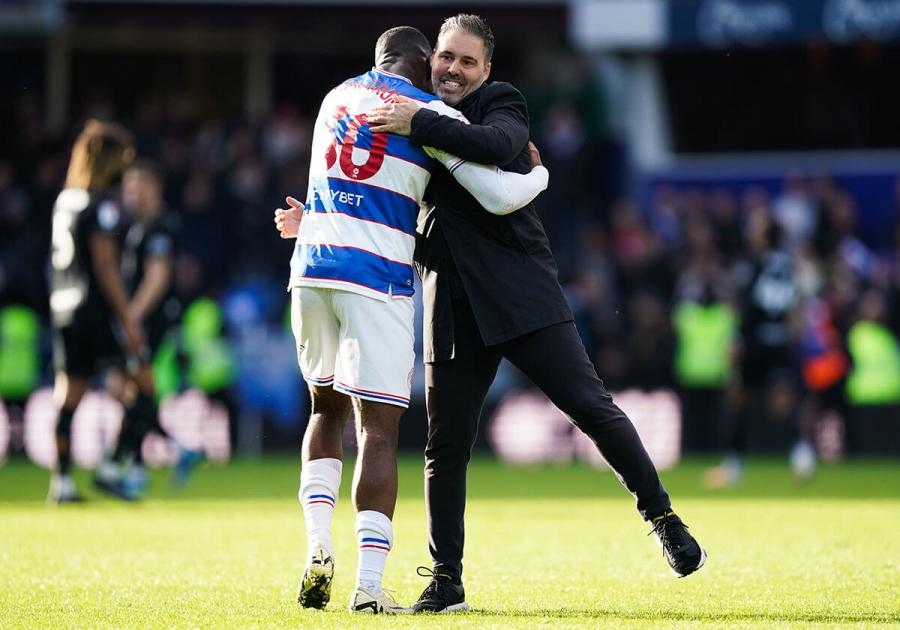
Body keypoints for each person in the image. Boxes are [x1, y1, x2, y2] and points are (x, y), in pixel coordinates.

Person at [366, 14, 706, 613]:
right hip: (451, 299)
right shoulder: (408, 113)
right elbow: (389, 209)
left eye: (467, 62)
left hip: (522, 290)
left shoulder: (496, 102)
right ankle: (446, 579)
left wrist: (419, 123)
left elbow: (499, 145)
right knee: (445, 448)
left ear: (486, 71)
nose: (453, 69)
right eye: (446, 58)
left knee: (592, 408)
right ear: (431, 59)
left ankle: (663, 516)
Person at [274, 26, 549, 614]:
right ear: (424, 64)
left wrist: (312, 225)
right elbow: (498, 195)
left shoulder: (335, 97)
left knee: (322, 409)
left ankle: (318, 546)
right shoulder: (425, 113)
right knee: (377, 430)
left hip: (313, 267)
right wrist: (538, 174)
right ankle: (369, 587)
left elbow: (341, 188)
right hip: (377, 280)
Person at [94, 159, 200, 500]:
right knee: (132, 391)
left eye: (137, 185)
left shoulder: (158, 228)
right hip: (146, 320)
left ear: (154, 188)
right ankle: (149, 461)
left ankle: (122, 465)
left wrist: (132, 317)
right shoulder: (139, 227)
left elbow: (158, 278)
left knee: (129, 388)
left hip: (153, 321)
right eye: (127, 186)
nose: (131, 192)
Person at [48, 120, 141, 503]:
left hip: (62, 305)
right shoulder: (98, 203)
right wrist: (127, 316)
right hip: (92, 309)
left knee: (69, 394)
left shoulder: (65, 199)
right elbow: (104, 266)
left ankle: (62, 482)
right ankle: (110, 467)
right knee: (138, 384)